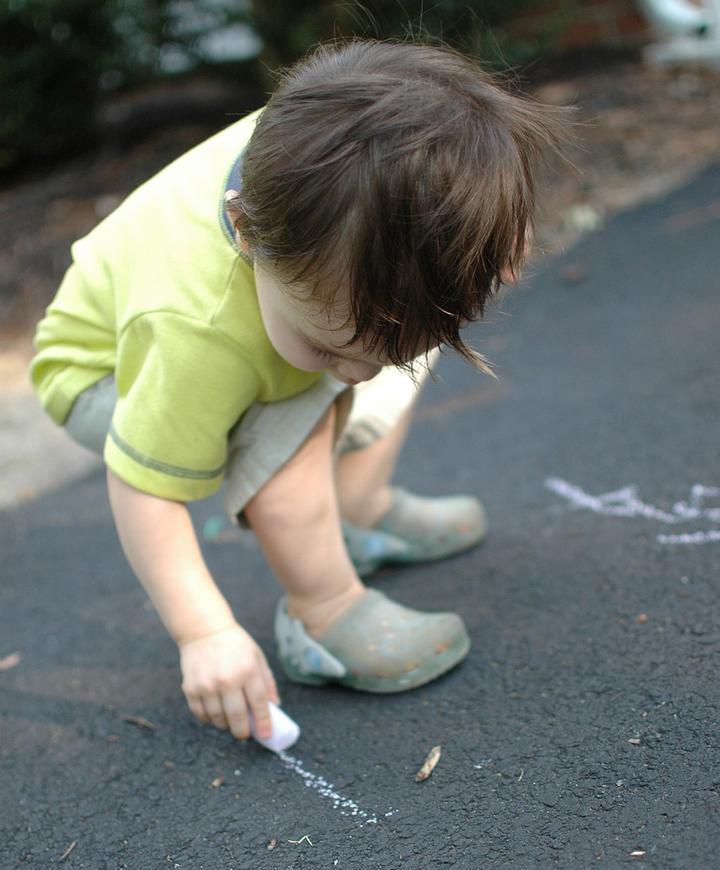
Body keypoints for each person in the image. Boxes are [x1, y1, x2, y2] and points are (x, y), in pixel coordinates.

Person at [29, 38, 566, 744]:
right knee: (296, 413)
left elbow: (422, 209)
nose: (356, 373)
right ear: (248, 232)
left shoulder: (333, 170)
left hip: (250, 317)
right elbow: (143, 487)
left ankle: (359, 509)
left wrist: (487, 239)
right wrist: (205, 633)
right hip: (107, 372)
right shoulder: (199, 330)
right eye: (330, 347)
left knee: (395, 335)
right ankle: (326, 610)